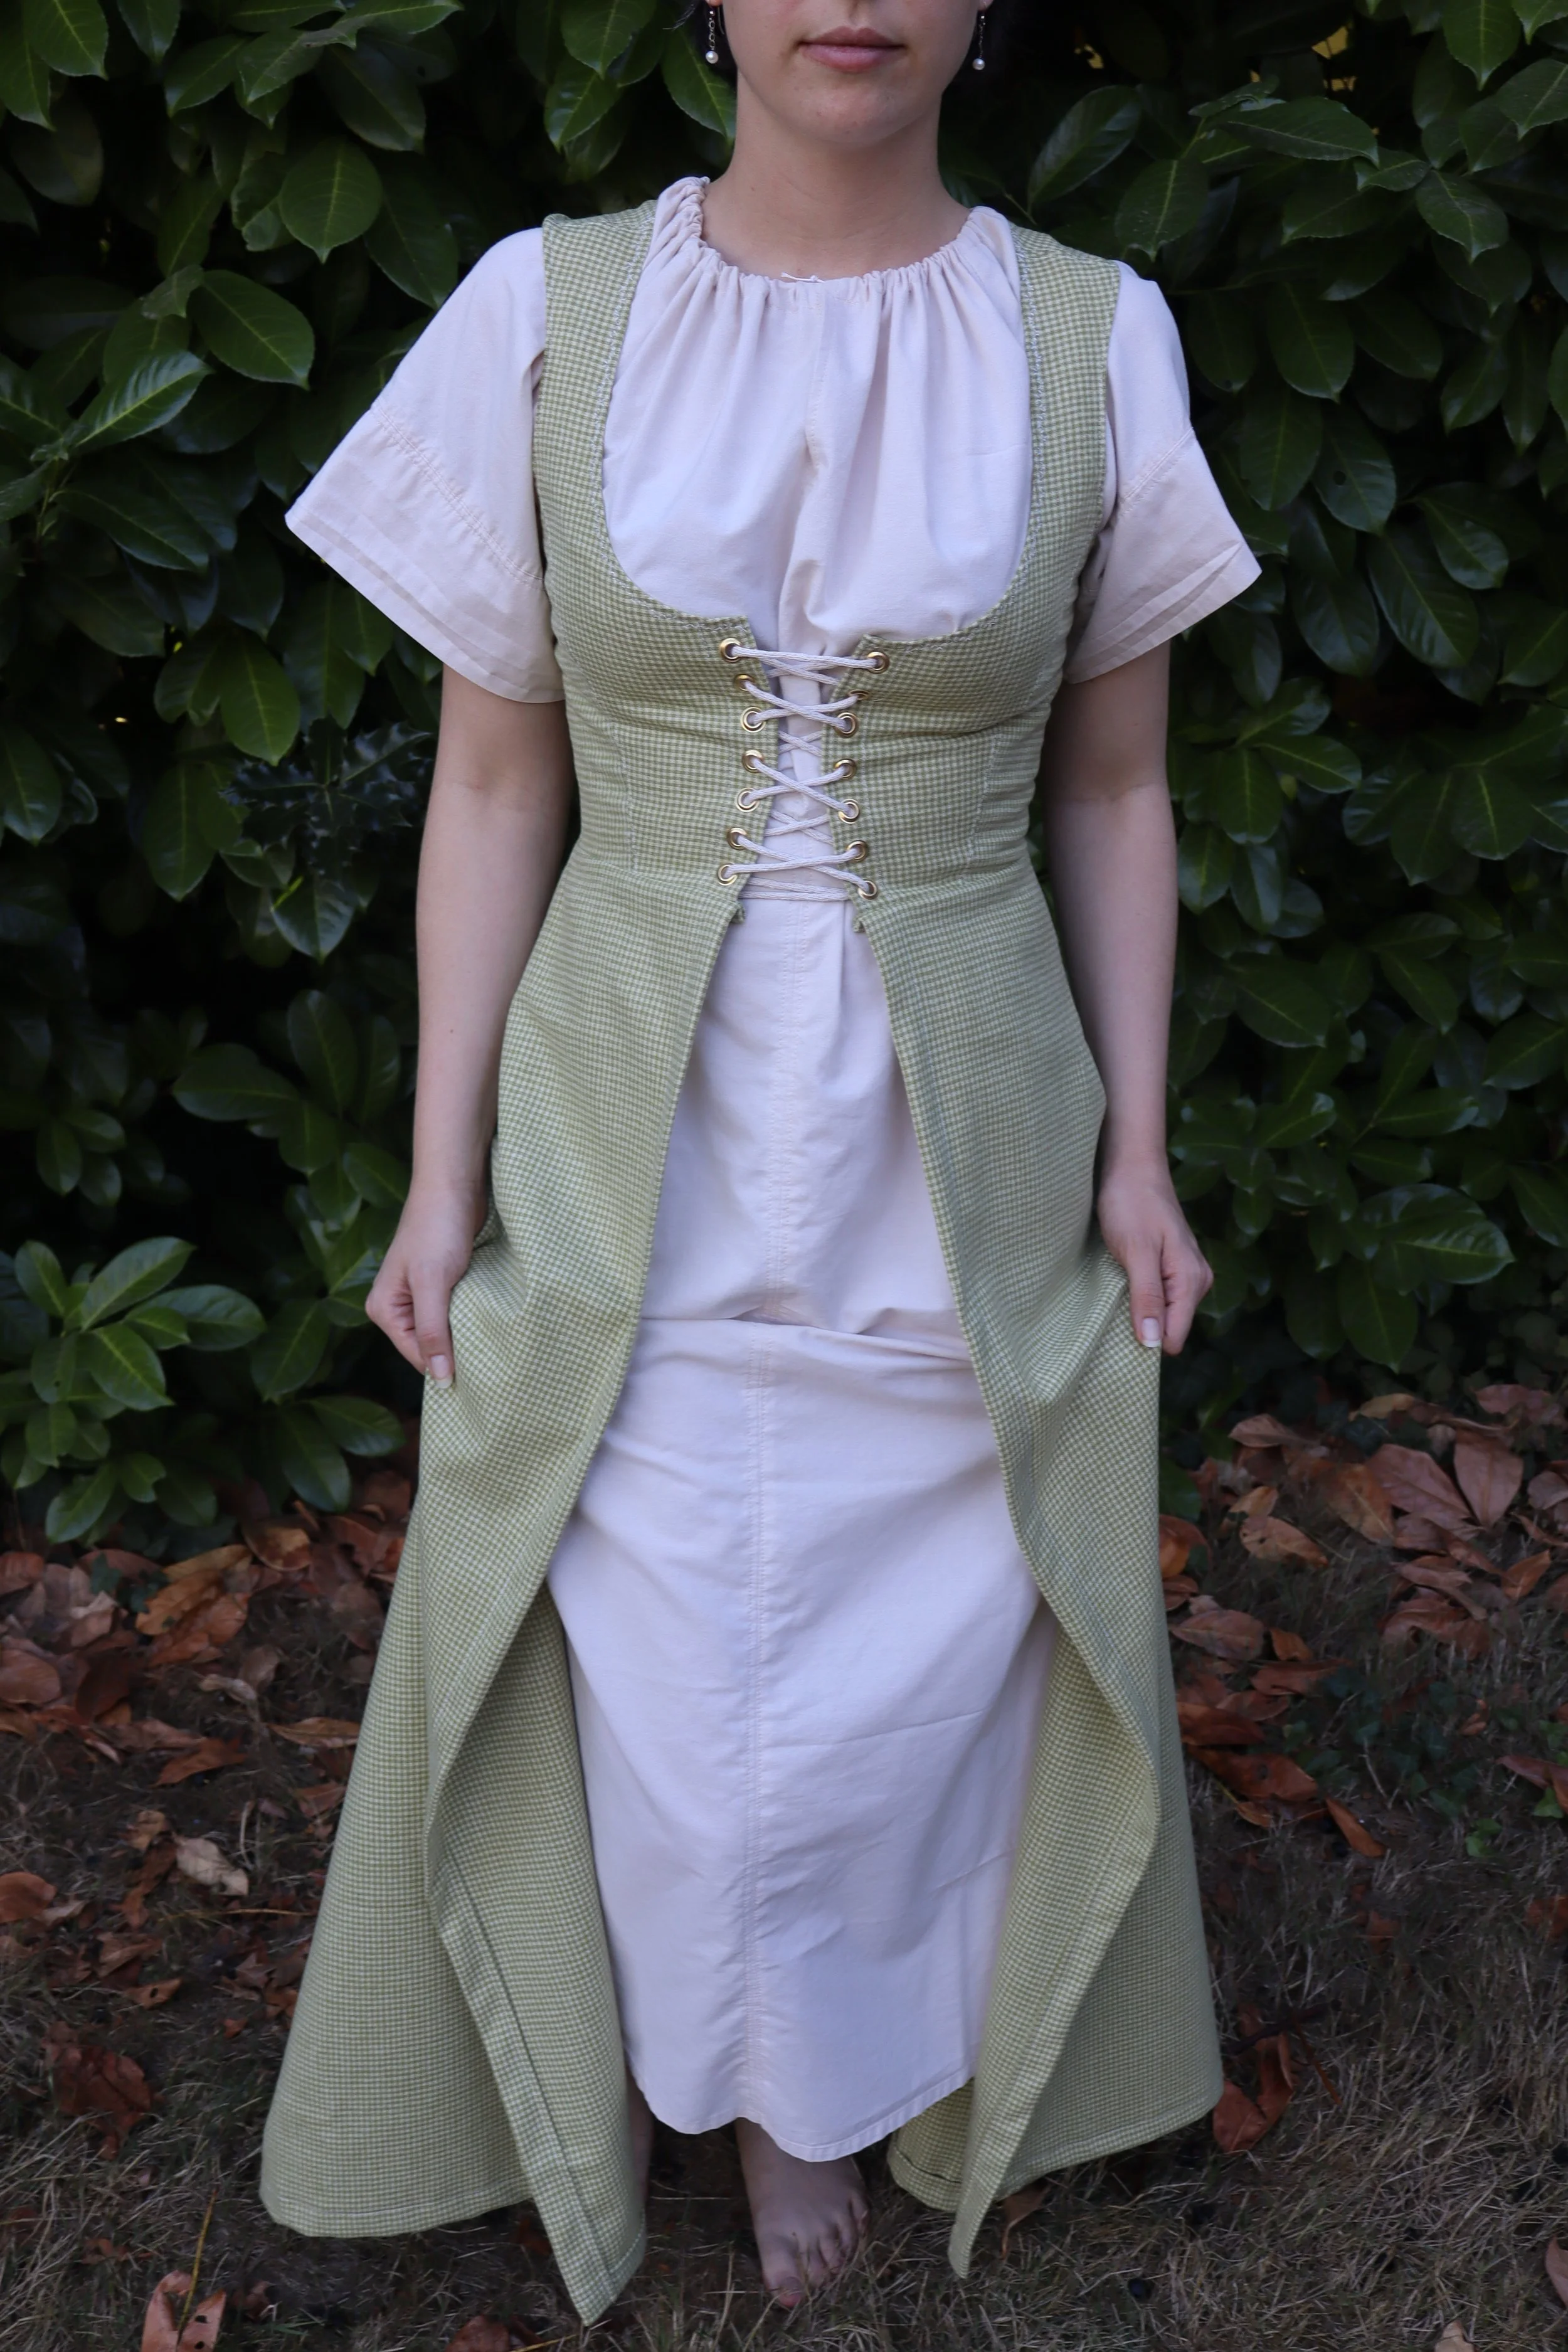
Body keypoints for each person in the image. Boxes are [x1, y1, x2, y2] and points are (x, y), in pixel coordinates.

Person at [260, 0, 1260, 2318]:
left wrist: (1136, 1147)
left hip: (963, 1111)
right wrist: (437, 1171)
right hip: (639, 1102)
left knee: (924, 1634)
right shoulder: (548, 307)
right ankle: (636, 2044)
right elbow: (499, 785)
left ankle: (818, 2083)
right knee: (647, 1598)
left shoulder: (1095, 336)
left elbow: (1111, 789)